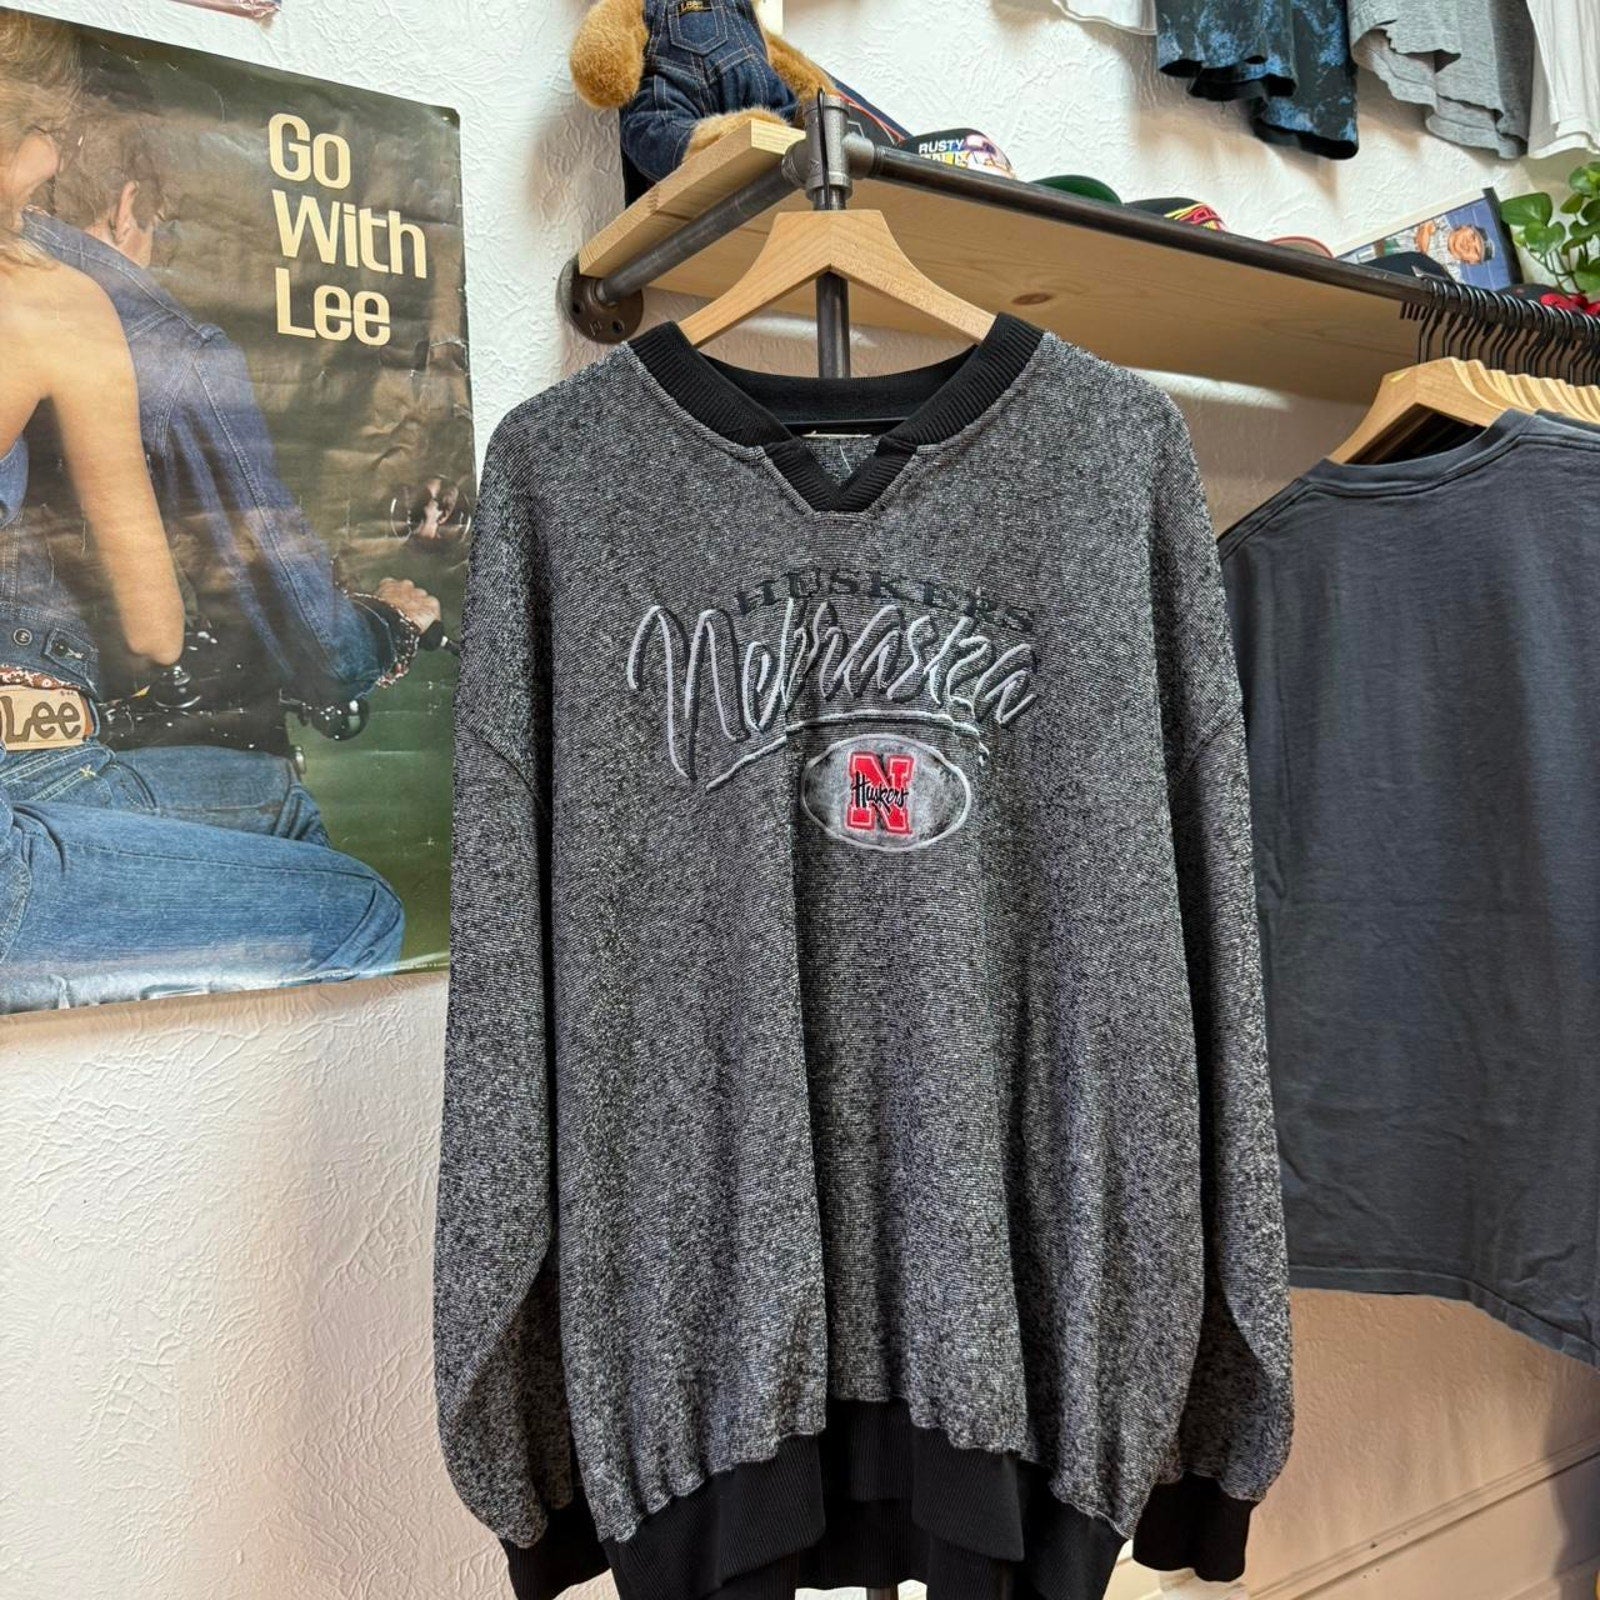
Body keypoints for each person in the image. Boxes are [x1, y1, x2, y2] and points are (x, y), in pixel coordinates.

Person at [0, 13, 404, 1010]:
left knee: (274, 804)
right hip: (28, 784)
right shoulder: (81, 313)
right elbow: (166, 631)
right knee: (363, 908)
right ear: (130, 202)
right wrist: (389, 626)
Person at [26, 95, 443, 715]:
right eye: (160, 230)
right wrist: (391, 623)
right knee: (274, 780)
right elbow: (322, 654)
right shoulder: (174, 350)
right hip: (61, 702)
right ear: (127, 206)